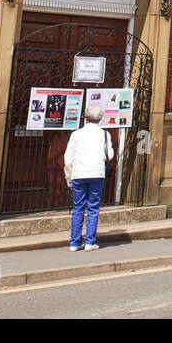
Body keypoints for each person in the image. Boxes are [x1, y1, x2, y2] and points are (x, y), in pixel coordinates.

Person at [64, 105, 113, 251]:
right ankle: (90, 242)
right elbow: (109, 155)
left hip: (79, 174)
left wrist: (69, 177)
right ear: (99, 118)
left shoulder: (76, 134)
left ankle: (74, 243)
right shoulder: (105, 134)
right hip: (97, 173)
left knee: (78, 207)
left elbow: (68, 158)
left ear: (85, 117)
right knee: (93, 208)